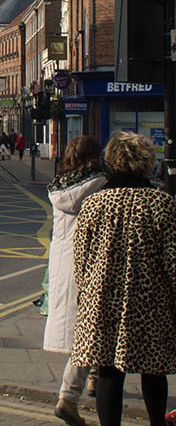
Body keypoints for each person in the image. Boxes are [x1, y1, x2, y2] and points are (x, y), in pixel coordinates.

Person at [71, 131, 176, 426]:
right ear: (146, 162)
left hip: (102, 300)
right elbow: (173, 262)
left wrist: (88, 294)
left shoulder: (94, 205)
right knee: (153, 371)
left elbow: (80, 262)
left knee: (108, 373)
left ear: (111, 160)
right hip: (150, 303)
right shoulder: (161, 204)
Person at [43, 135, 106, 426]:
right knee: (91, 329)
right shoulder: (101, 186)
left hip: (62, 263)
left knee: (90, 326)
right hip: (89, 262)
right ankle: (69, 396)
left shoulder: (60, 186)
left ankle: (91, 380)